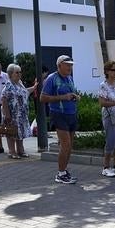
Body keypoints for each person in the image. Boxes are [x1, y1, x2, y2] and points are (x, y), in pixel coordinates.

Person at [40, 55, 80, 184]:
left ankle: (64, 171)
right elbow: (43, 98)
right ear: (59, 66)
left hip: (71, 114)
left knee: (69, 146)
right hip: (58, 114)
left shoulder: (69, 78)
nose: (70, 67)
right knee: (65, 144)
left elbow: (70, 94)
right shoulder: (51, 79)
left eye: (71, 64)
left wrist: (75, 97)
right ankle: (60, 173)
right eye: (67, 64)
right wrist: (63, 97)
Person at [1, 63, 36, 159]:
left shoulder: (20, 84)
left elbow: (25, 92)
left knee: (20, 132)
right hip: (12, 114)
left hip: (21, 114)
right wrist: (7, 115)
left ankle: (21, 150)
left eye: (20, 72)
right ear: (10, 74)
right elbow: (4, 100)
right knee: (11, 132)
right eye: (17, 72)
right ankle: (12, 151)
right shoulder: (8, 86)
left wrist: (34, 87)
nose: (19, 74)